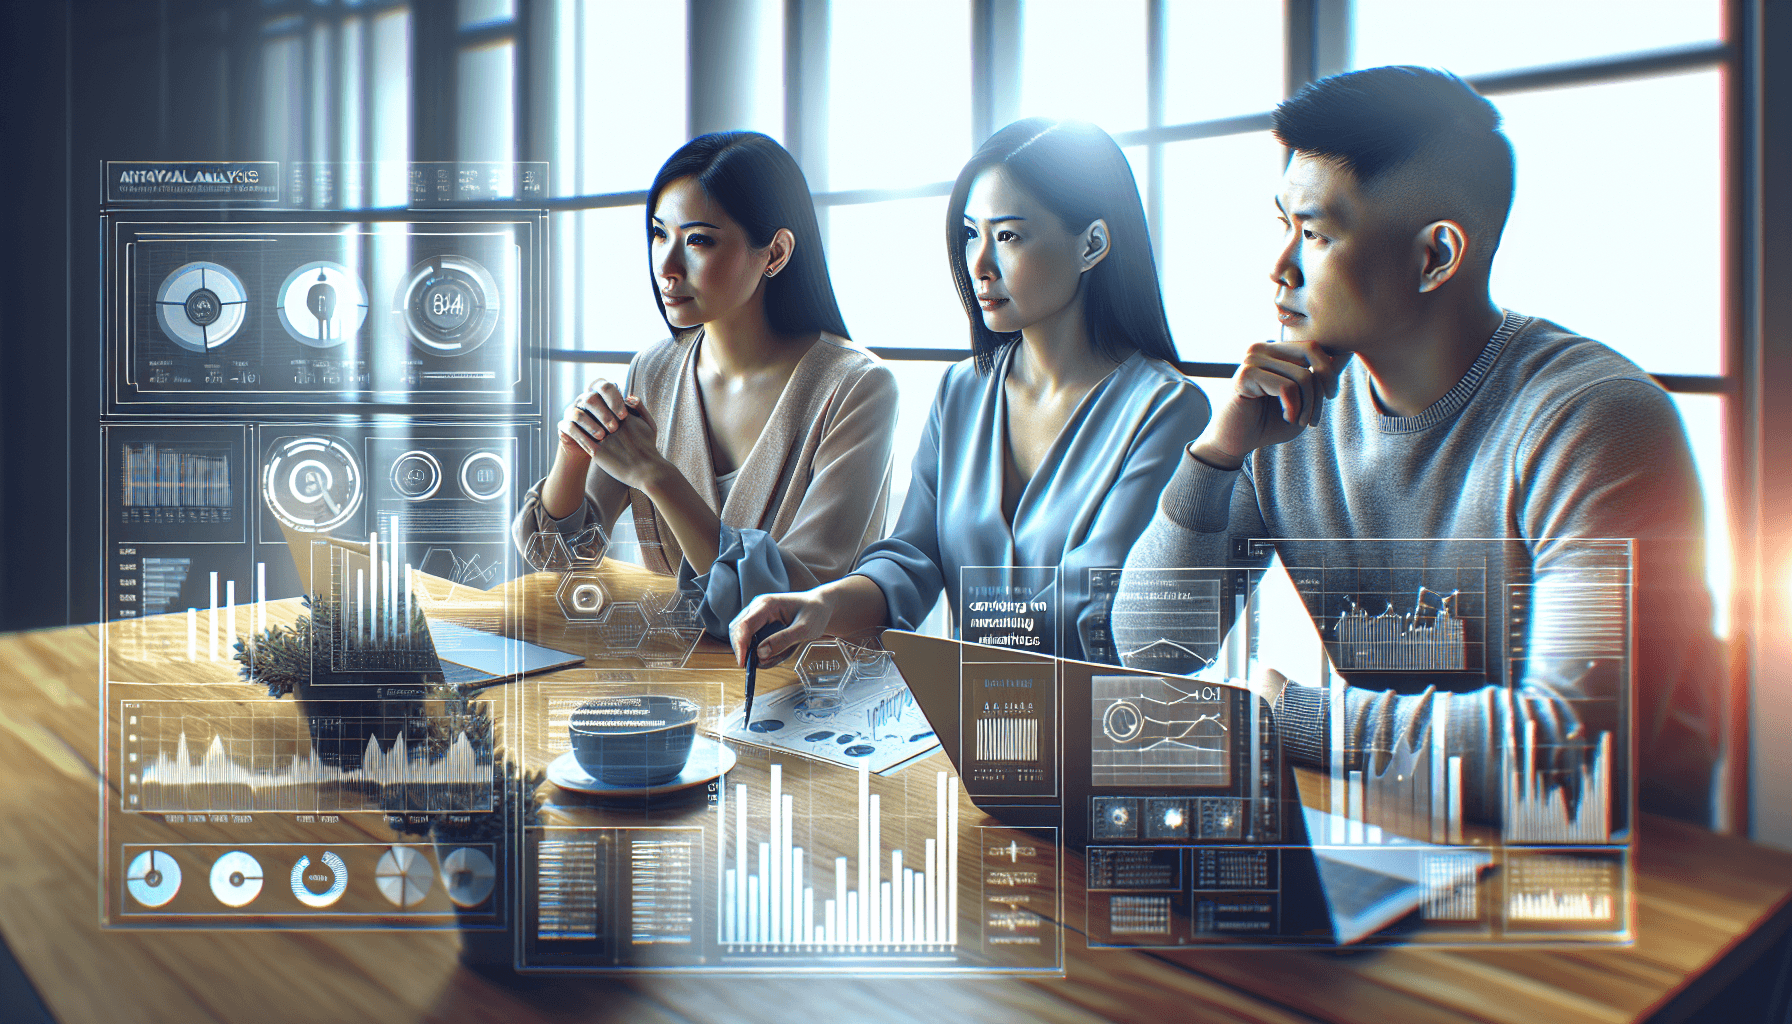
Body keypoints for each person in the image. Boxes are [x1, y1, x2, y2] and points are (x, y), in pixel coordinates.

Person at [1114, 66, 1720, 823]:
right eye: (1283, 226)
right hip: (1406, 826)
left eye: (1315, 233)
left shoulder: (1601, 423)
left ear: (1435, 255)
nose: (1279, 268)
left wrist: (1293, 718)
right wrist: (1217, 453)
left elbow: (1571, 759)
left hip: (1637, 881)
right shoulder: (1289, 415)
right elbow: (1152, 651)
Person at [729, 118, 1212, 667]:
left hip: (1099, 727)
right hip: (974, 724)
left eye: (1008, 235)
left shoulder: (1168, 410)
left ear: (1093, 244)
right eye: (969, 233)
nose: (978, 264)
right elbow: (913, 557)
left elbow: (1101, 602)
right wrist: (821, 604)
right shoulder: (961, 391)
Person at [512, 132, 899, 637]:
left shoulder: (858, 388)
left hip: (810, 690)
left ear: (776, 253)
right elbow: (558, 560)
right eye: (659, 234)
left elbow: (792, 604)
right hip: (682, 676)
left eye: (698, 240)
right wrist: (574, 448)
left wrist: (655, 474)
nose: (667, 268)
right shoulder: (653, 369)